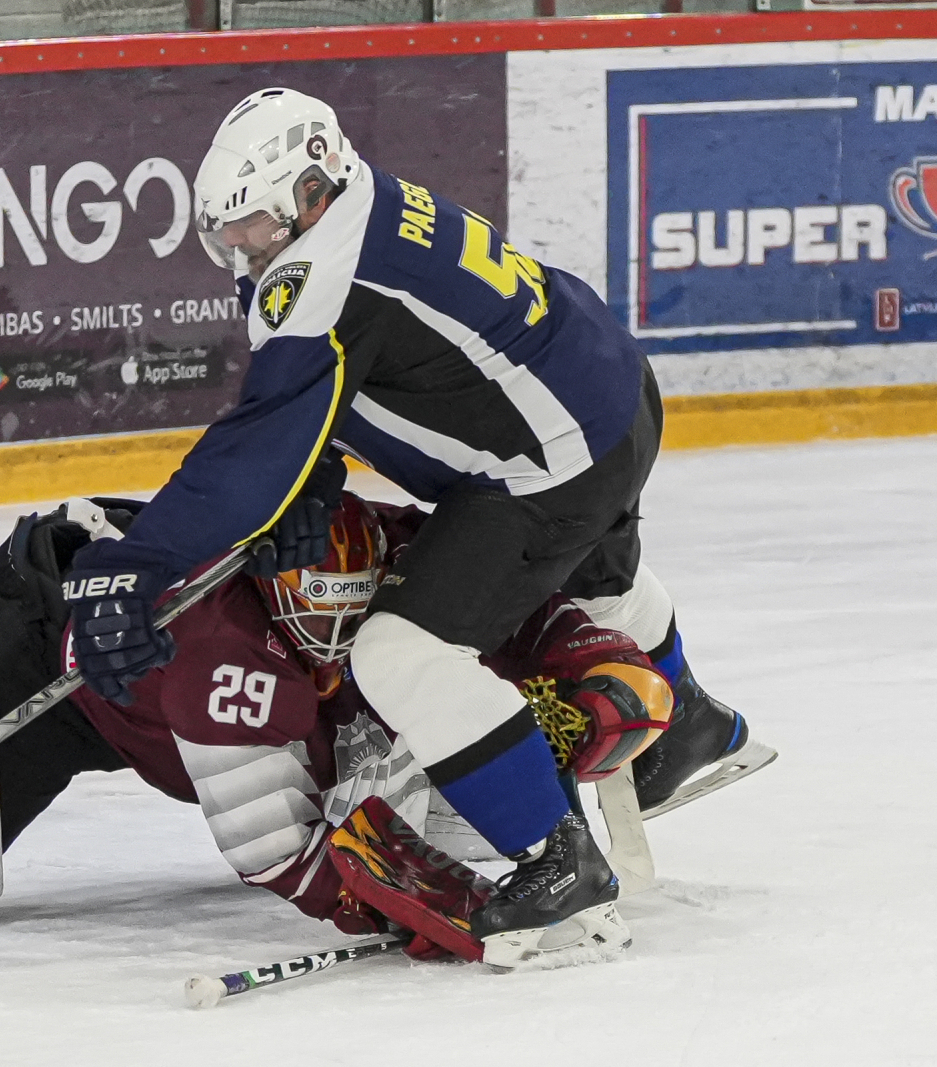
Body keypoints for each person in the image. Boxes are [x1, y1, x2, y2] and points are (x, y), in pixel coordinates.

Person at [57, 88, 775, 968]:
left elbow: (253, 451)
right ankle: (688, 715)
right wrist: (309, 479)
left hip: (553, 460)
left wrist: (136, 563)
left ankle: (560, 863)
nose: (240, 244)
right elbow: (352, 384)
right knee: (589, 570)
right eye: (227, 229)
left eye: (253, 224)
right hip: (610, 387)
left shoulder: (322, 273)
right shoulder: (364, 202)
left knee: (400, 653)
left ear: (311, 191)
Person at [0, 493, 672, 960]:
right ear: (275, 600)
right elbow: (275, 851)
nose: (337, 640)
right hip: (49, 663)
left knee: (416, 716)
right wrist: (409, 908)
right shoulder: (219, 648)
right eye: (317, 622)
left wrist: (591, 653)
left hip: (169, 677)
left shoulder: (392, 549)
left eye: (355, 616)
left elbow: (503, 600)